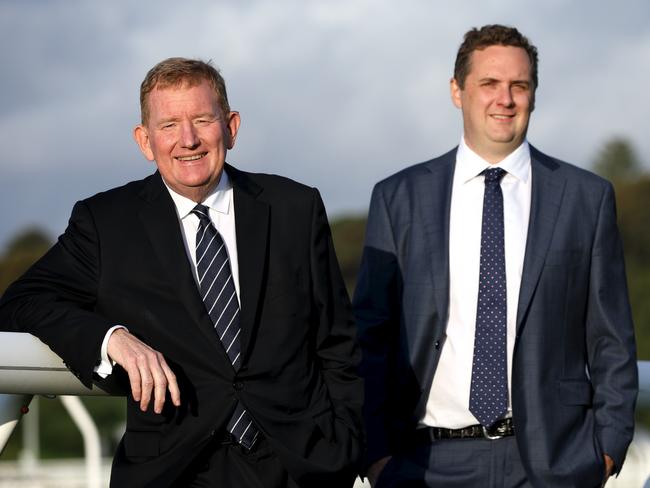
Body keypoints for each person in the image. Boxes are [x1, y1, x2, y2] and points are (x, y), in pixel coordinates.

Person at [0, 58, 363, 487]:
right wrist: (111, 338)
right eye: (169, 125)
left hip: (299, 468)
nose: (187, 140)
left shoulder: (295, 209)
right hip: (173, 471)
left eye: (202, 120)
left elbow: (338, 344)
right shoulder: (106, 223)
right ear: (145, 140)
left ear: (230, 126)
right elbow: (21, 302)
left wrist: (349, 448)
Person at [353, 24, 637, 488]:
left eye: (519, 86)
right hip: (423, 464)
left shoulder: (586, 199)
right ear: (457, 91)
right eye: (489, 83)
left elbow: (612, 341)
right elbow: (371, 338)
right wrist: (377, 455)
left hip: (553, 465)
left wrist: (606, 450)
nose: (504, 99)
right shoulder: (399, 197)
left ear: (533, 95)